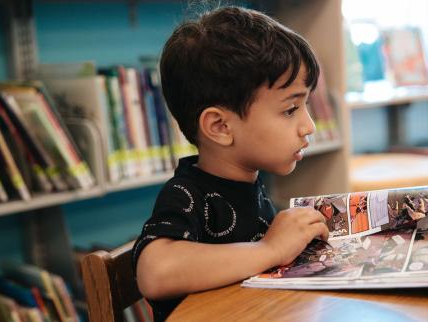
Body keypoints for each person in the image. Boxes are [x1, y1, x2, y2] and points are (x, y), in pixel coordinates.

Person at [132, 6, 329, 321]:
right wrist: (270, 250)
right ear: (220, 127)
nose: (309, 126)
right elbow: (155, 272)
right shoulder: (187, 194)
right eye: (291, 109)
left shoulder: (250, 184)